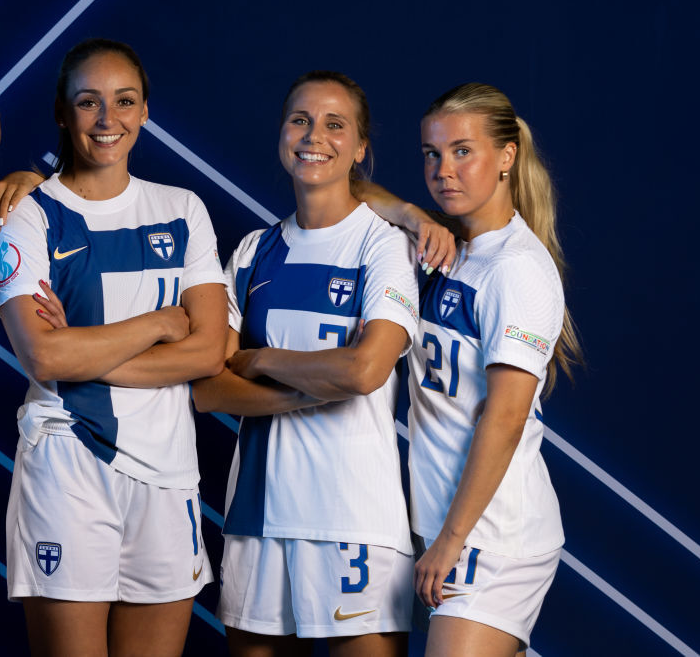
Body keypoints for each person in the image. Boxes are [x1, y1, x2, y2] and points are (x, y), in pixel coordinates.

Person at [0, 38, 227, 656]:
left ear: (144, 111)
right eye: (89, 103)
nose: (107, 120)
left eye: (124, 102)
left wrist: (82, 351)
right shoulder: (29, 215)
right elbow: (43, 358)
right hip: (68, 464)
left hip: (168, 474)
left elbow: (206, 354)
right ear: (63, 114)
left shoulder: (182, 210)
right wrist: (157, 322)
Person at [192, 71, 420, 657]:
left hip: (354, 521)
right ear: (282, 134)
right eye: (301, 119)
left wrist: (258, 359)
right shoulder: (251, 251)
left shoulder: (382, 244)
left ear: (360, 148)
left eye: (334, 124)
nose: (313, 135)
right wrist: (316, 385)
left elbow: (366, 372)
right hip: (257, 517)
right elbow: (207, 389)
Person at [373, 82, 582, 657]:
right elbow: (354, 191)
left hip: (493, 536)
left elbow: (506, 418)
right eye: (431, 153)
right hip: (447, 521)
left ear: (507, 157)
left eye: (463, 151)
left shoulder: (517, 268)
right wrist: (415, 217)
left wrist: (451, 541)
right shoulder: (456, 242)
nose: (444, 169)